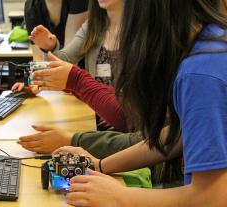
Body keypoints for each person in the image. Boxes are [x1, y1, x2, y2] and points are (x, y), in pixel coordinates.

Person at [51, 0, 227, 206]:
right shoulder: (212, 40)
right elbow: (178, 136)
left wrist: (119, 196)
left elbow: (212, 198)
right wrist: (100, 165)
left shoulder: (199, 72)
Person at [16, 0, 127, 132]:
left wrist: (116, 109)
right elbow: (66, 59)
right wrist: (49, 47)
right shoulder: (93, 26)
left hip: (131, 120)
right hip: (98, 115)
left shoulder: (145, 29)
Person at [24, 0, 89, 61]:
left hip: (83, 65)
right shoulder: (31, 7)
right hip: (58, 63)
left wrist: (51, 48)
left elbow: (70, 57)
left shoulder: (78, 2)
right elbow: (38, 58)